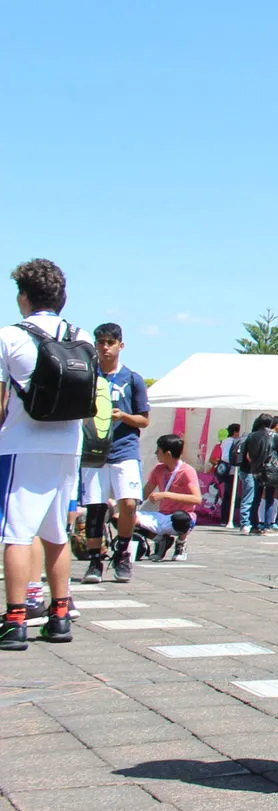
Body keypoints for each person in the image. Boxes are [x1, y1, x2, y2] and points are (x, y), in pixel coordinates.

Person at [2, 259, 87, 651]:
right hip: (69, 445)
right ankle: (60, 614)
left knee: (17, 533)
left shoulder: (10, 337)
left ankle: (15, 619)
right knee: (57, 533)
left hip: (23, 444)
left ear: (23, 296)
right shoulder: (80, 335)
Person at [77, 323, 150, 582]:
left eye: (111, 342)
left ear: (121, 345)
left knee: (129, 503)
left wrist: (124, 416)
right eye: (101, 343)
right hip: (94, 451)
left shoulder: (132, 379)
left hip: (124, 449)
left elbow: (144, 420)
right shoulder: (88, 376)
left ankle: (122, 552)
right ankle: (95, 560)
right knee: (95, 508)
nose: (105, 348)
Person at [139, 432, 203, 561]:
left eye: (158, 451)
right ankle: (161, 540)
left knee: (180, 517)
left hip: (181, 516)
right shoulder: (158, 469)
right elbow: (144, 493)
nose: (156, 453)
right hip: (162, 514)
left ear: (167, 453)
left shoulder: (187, 471)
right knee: (125, 518)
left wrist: (166, 495)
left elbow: (197, 499)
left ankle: (181, 543)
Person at [239, 414, 278, 536]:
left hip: (255, 469)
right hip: (270, 470)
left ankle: (254, 525)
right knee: (269, 498)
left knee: (256, 498)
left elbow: (248, 454)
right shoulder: (275, 435)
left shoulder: (252, 435)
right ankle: (267, 526)